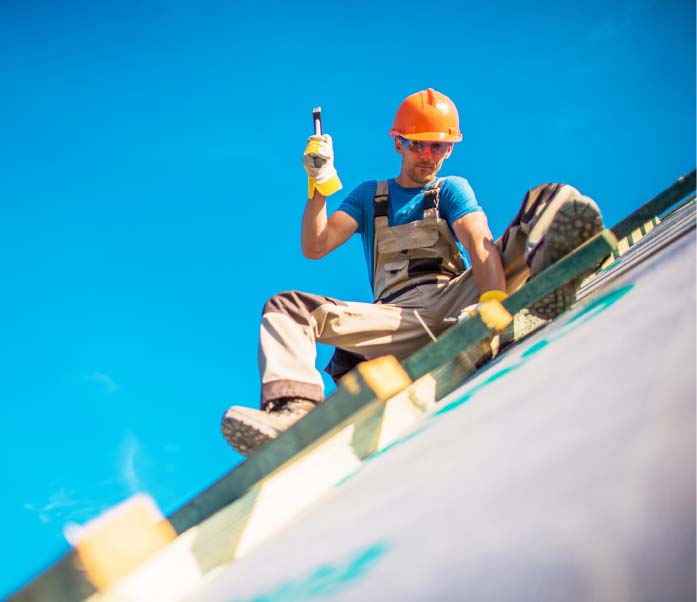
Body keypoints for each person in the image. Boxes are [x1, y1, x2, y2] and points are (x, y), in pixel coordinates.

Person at [221, 88, 604, 456]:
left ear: (451, 148)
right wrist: (319, 184)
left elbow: (478, 242)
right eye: (418, 144)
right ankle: (293, 412)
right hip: (396, 319)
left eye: (440, 146)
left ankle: (557, 274)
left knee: (551, 199)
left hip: (457, 298)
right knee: (286, 307)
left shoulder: (450, 189)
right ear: (398, 143)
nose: (429, 155)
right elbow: (315, 246)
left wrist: (493, 302)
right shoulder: (369, 196)